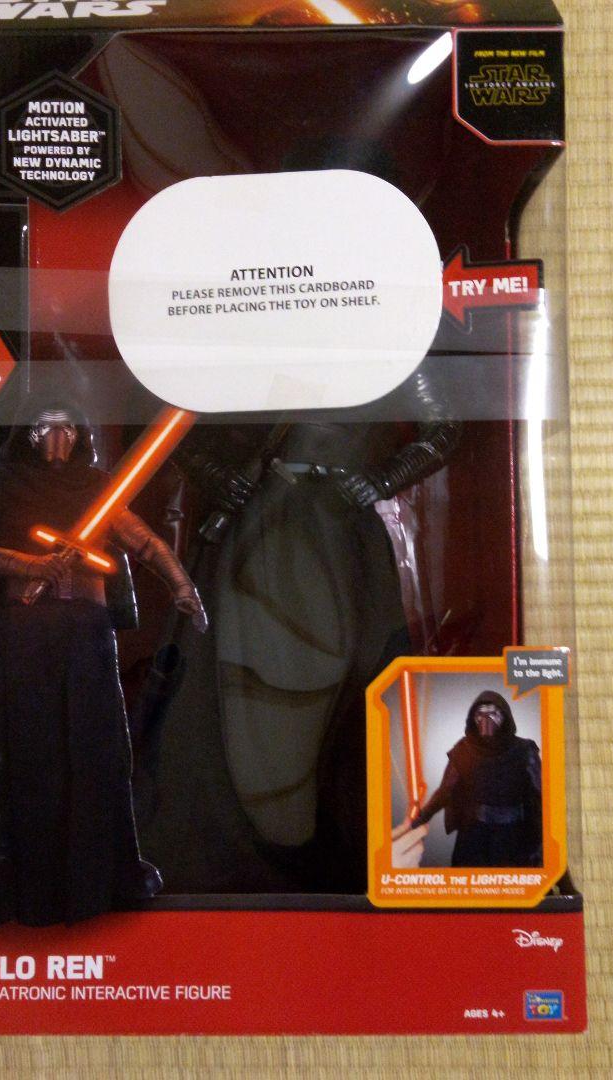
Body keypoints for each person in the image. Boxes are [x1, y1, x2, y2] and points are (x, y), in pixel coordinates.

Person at [137, 372, 462, 894]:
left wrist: (382, 480)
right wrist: (217, 476)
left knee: (349, 676)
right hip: (266, 516)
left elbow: (444, 428)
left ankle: (320, 833)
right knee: (245, 675)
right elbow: (168, 422)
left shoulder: (385, 346)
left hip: (341, 522)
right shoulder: (248, 341)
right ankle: (260, 833)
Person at [0, 406, 206, 938]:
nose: (57, 437)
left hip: (87, 630)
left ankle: (121, 871)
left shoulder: (98, 491)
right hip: (25, 632)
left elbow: (146, 542)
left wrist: (182, 585)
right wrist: (28, 564)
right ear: (28, 433)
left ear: (79, 434)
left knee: (104, 750)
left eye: (67, 426)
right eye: (46, 425)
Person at [412, 690, 542, 868]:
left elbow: (542, 792)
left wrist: (543, 843)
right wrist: (420, 819)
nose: (486, 719)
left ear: (504, 716)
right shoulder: (464, 749)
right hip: (475, 837)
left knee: (511, 883)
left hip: (514, 837)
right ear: (473, 717)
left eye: (493, 713)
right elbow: (445, 791)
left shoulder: (524, 750)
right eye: (480, 713)